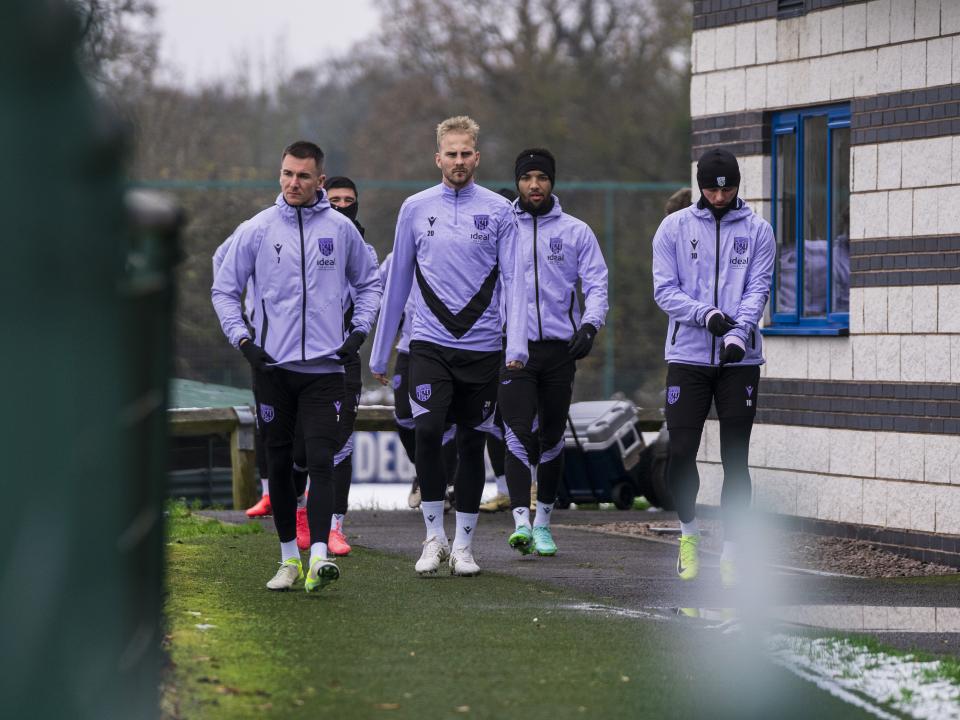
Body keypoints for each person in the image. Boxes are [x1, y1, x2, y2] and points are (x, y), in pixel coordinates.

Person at [212, 141, 382, 592]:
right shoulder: (257, 229)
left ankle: (321, 555)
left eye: (303, 176)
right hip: (272, 370)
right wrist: (245, 341)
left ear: (320, 180)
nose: (293, 183)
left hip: (326, 370)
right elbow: (224, 290)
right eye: (287, 173)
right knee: (282, 463)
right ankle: (289, 558)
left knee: (322, 461)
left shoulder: (341, 230)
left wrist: (358, 333)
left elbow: (369, 284)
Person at [369, 115, 527, 576]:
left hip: (483, 350)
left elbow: (516, 281)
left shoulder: (500, 211)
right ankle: (434, 537)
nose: (458, 161)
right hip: (429, 345)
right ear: (437, 158)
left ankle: (464, 547)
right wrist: (381, 353)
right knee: (428, 432)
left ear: (477, 157)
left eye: (466, 154)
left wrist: (516, 343)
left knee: (474, 442)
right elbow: (396, 281)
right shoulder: (415, 208)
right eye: (450, 154)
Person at [651, 148, 775, 588]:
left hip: (740, 360)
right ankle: (688, 536)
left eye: (728, 187)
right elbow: (665, 291)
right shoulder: (674, 228)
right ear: (700, 185)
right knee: (682, 451)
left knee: (735, 457)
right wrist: (707, 316)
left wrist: (739, 333)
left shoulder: (759, 229)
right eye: (711, 187)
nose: (720, 196)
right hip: (687, 356)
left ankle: (734, 551)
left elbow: (758, 286)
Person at [500, 148, 609, 557]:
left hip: (560, 350)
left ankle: (544, 523)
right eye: (527, 177)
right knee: (516, 431)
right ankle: (520, 523)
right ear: (517, 182)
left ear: (552, 182)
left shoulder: (576, 231)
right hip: (514, 349)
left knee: (550, 436)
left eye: (542, 178)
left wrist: (590, 325)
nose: (534, 185)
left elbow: (597, 283)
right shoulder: (502, 225)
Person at [290, 176, 379, 556]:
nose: (343, 205)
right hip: (296, 359)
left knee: (339, 445)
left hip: (343, 360)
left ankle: (335, 525)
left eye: (350, 200)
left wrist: (357, 339)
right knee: (298, 448)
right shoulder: (301, 240)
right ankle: (299, 516)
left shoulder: (366, 252)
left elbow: (370, 296)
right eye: (336, 199)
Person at [378, 252, 460, 512]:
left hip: (447, 345)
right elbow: (375, 289)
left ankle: (442, 485)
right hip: (408, 346)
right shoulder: (395, 258)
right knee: (404, 417)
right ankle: (424, 472)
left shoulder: (449, 250)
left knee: (446, 421)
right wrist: (393, 317)